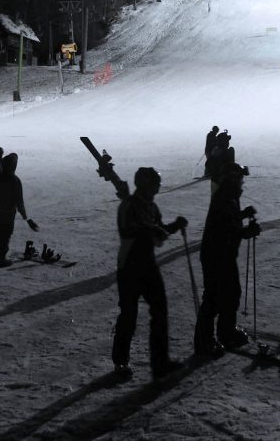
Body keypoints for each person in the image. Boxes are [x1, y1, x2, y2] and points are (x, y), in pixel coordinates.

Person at [112, 167, 188, 380]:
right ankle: (120, 362)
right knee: (129, 315)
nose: (157, 189)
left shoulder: (151, 207)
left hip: (148, 264)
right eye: (154, 185)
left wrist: (174, 226)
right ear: (145, 185)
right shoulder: (128, 206)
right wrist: (148, 229)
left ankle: (160, 361)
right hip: (129, 266)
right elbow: (126, 230)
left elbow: (159, 233)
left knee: (160, 311)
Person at [194, 163, 260, 356]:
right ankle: (205, 342)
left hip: (223, 254)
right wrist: (248, 231)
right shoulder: (226, 198)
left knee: (231, 294)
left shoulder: (228, 196)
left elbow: (230, 221)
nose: (242, 182)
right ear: (233, 179)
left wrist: (242, 215)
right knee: (214, 298)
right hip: (217, 255)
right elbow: (229, 229)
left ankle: (226, 332)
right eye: (240, 178)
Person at [0, 153, 38, 268]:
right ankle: (0, 259)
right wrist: (26, 217)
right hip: (8, 213)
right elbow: (19, 202)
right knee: (4, 235)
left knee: (0, 233)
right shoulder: (14, 180)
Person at [207, 131, 235, 195]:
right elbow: (231, 166)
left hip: (215, 181)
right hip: (222, 182)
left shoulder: (215, 151)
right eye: (227, 141)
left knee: (216, 201)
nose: (228, 143)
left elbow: (207, 165)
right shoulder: (226, 152)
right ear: (224, 143)